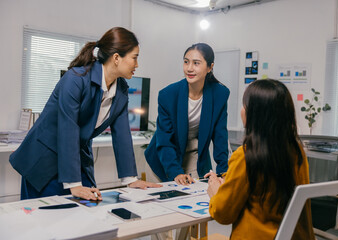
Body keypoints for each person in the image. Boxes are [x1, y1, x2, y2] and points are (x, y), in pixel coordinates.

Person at [10, 27, 161, 201]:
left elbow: (122, 134)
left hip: (75, 158)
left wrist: (131, 179)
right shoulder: (75, 79)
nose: (137, 65)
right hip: (44, 158)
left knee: (81, 216)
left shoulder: (121, 90)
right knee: (43, 220)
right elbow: (68, 128)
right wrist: (74, 183)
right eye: (134, 58)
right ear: (117, 58)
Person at [206, 79, 315, 239]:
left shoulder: (245, 155)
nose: (242, 110)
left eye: (245, 105)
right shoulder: (296, 151)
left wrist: (216, 191)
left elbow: (223, 214)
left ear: (255, 114)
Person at [145, 43, 229, 185]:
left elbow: (220, 135)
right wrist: (175, 172)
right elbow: (165, 139)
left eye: (196, 63)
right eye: (186, 62)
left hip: (195, 156)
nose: (189, 68)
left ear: (210, 67)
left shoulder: (220, 94)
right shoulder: (168, 95)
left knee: (194, 198)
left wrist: (223, 172)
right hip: (163, 158)